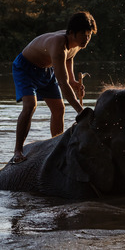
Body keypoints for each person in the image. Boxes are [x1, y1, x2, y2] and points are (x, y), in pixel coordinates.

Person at [11, 11, 97, 164]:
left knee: (59, 109)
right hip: (26, 68)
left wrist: (73, 81)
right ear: (72, 32)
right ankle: (18, 150)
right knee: (30, 105)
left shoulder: (77, 44)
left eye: (89, 35)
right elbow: (62, 83)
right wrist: (81, 111)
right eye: (83, 34)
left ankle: (56, 145)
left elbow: (69, 58)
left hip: (47, 69)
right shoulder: (58, 44)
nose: (86, 38)